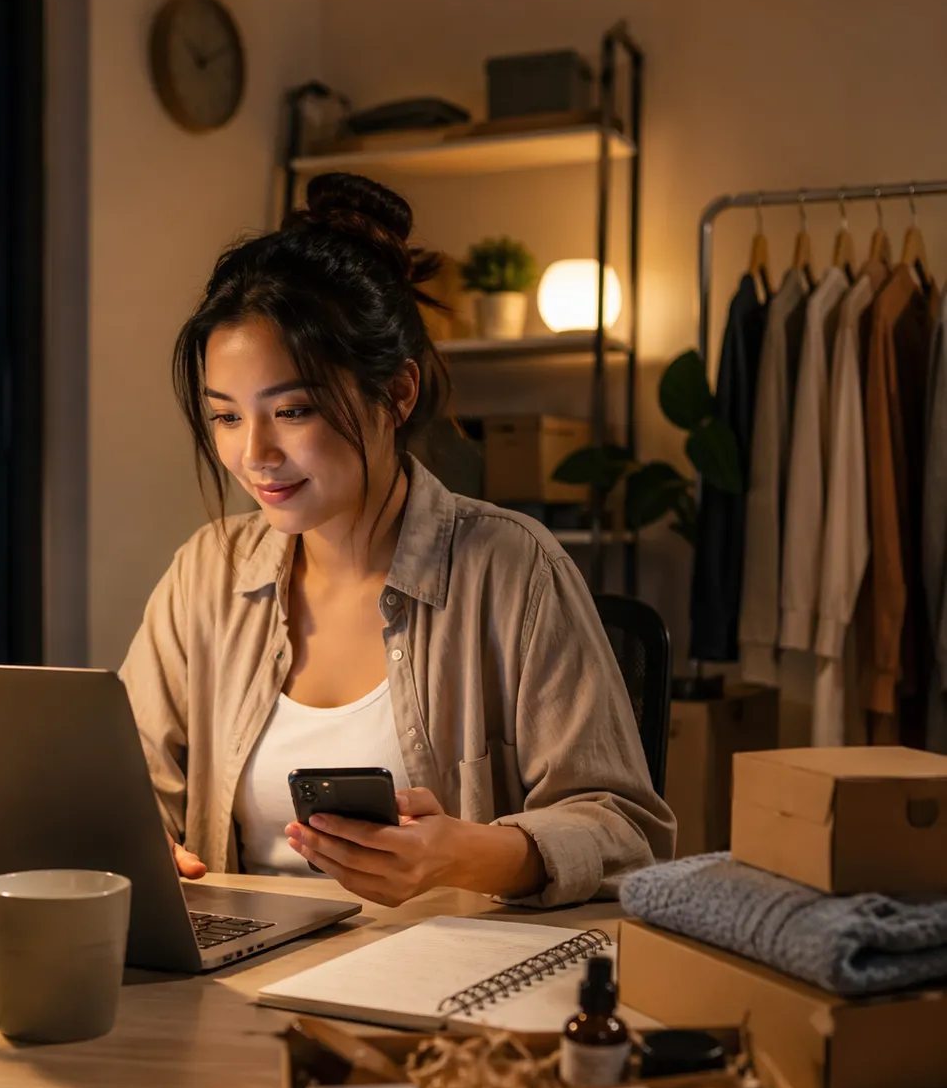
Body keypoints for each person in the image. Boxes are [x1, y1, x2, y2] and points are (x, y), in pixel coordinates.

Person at [121, 172, 675, 909]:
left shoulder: (513, 569)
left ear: (398, 393)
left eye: (291, 411)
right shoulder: (207, 574)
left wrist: (473, 856)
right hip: (237, 980)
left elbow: (627, 831)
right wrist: (129, 837)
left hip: (444, 986)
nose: (254, 454)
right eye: (226, 417)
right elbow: (122, 782)